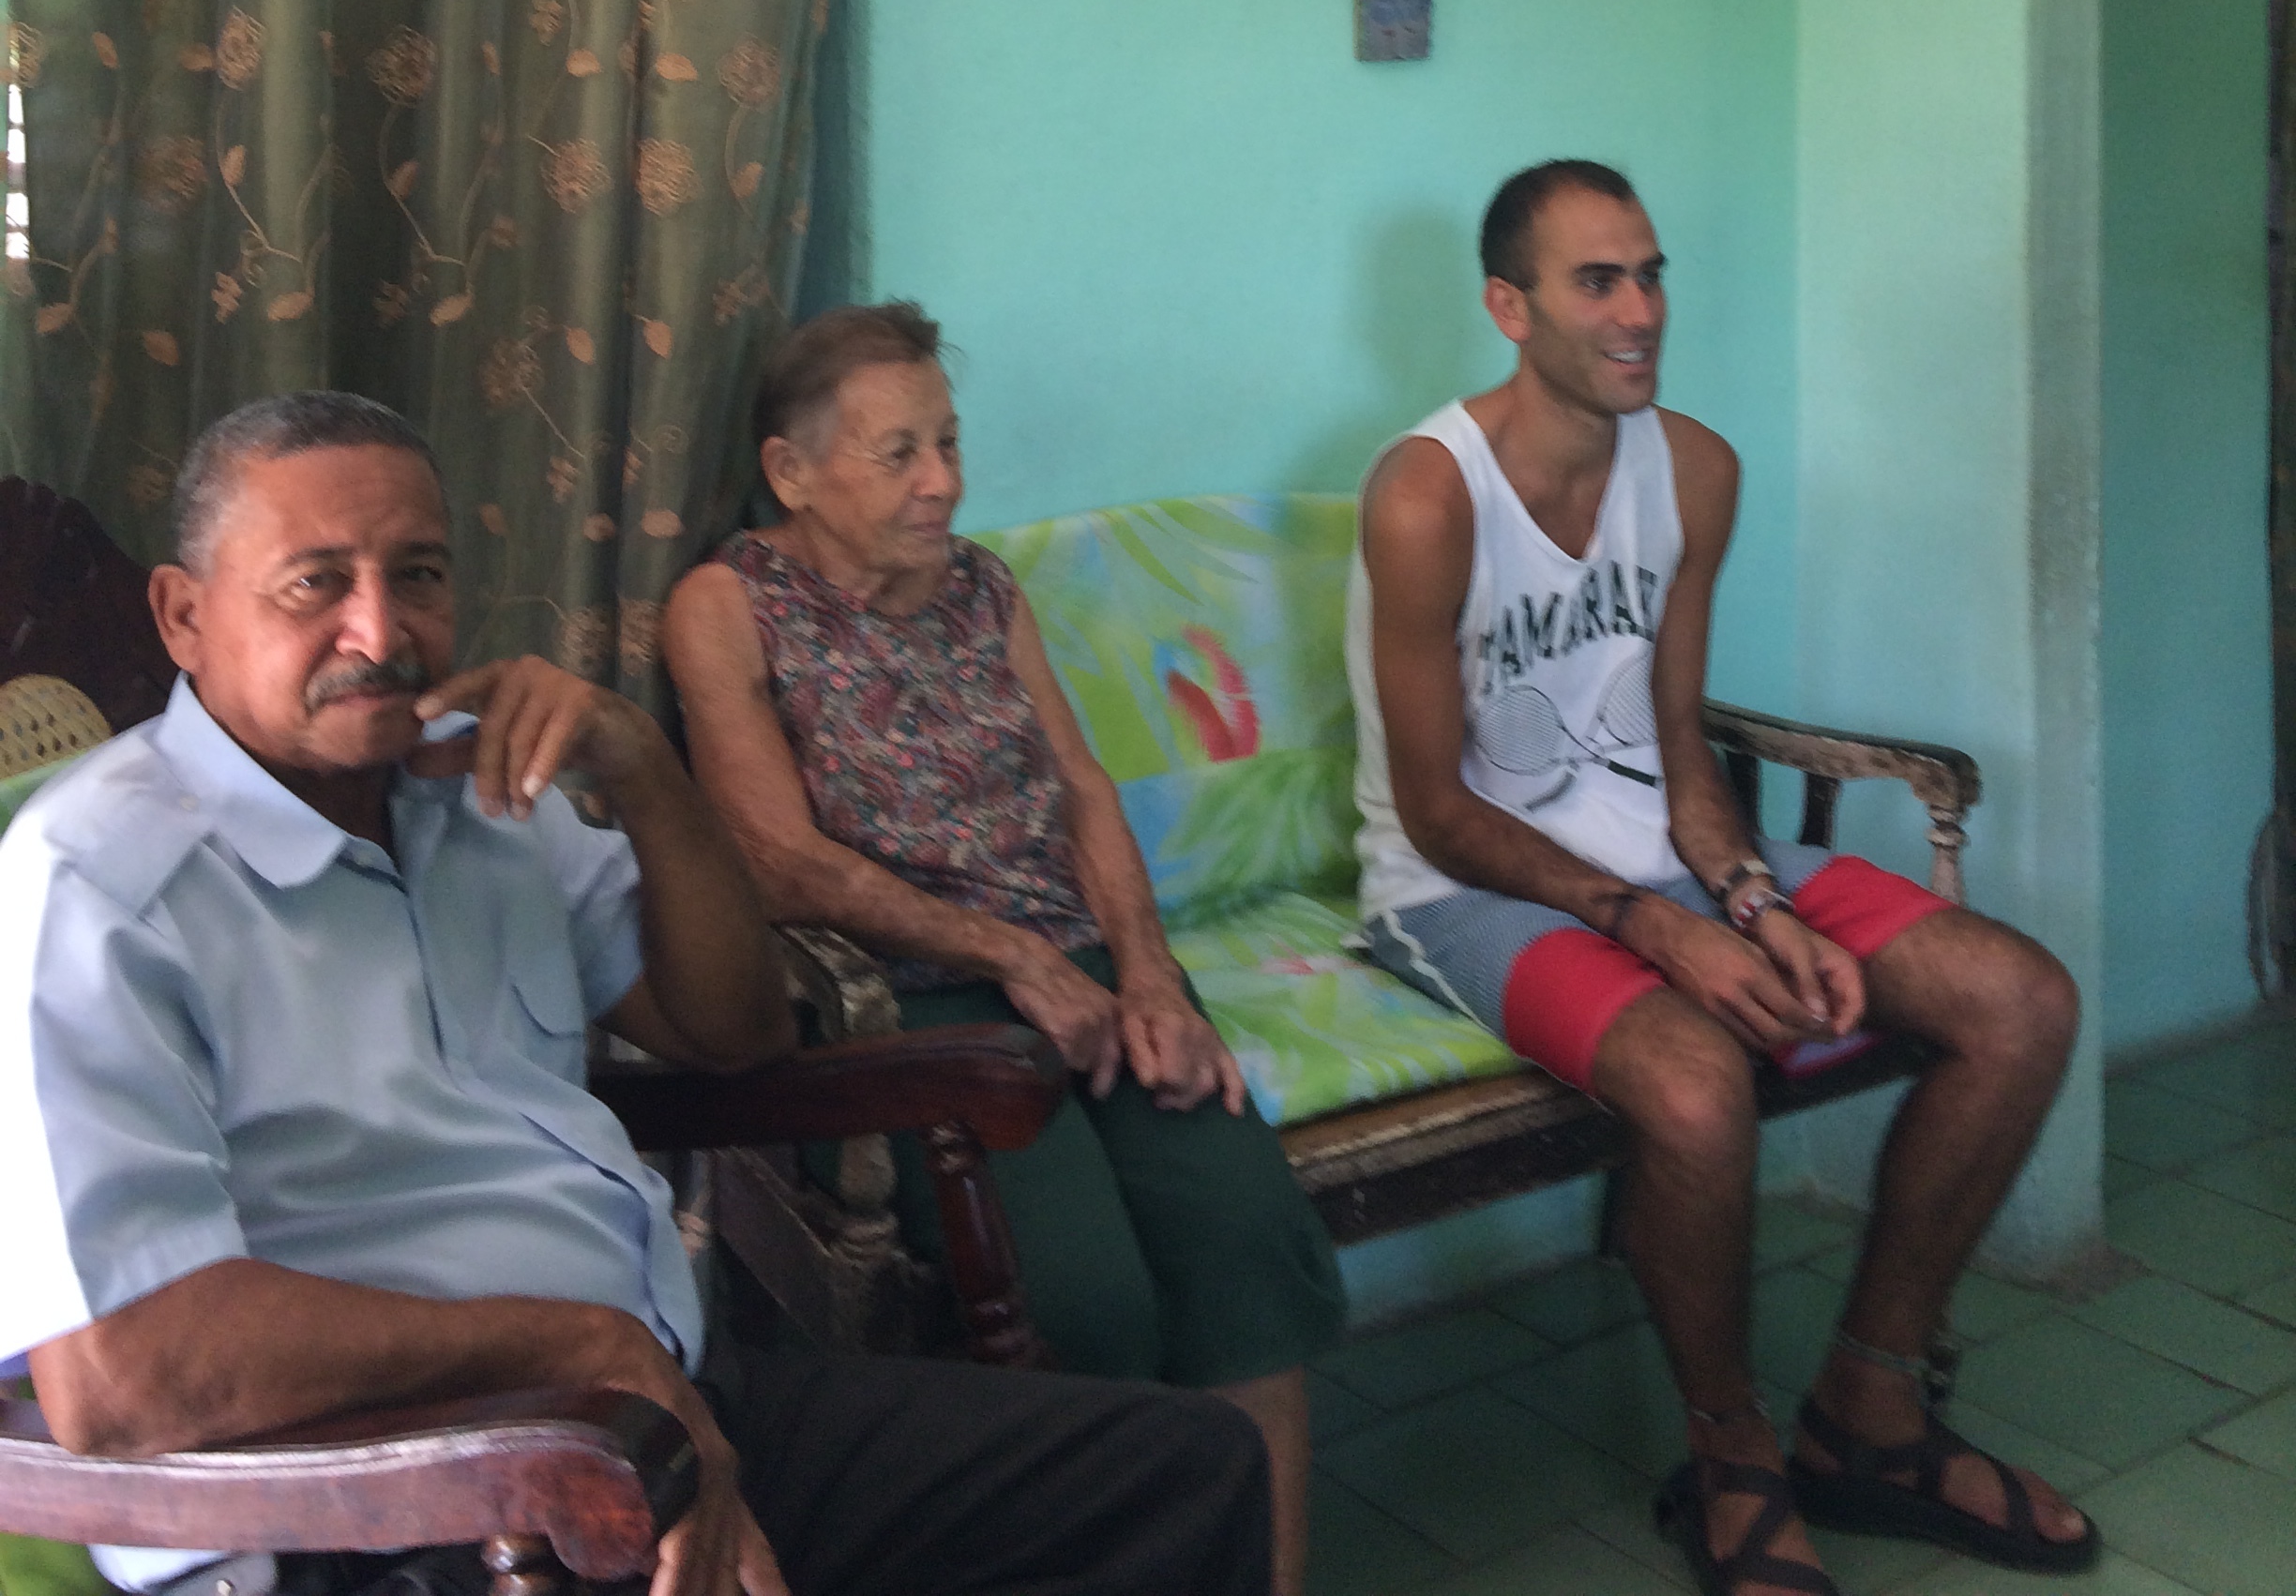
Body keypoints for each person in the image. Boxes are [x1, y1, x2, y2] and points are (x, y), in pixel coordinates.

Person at [0, 393, 1270, 1596]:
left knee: (1178, 1476)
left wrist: (645, 769)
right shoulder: (98, 886)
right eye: (314, 583)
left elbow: (733, 1031)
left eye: (421, 576)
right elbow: (127, 1376)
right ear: (183, 617)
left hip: (645, 1402)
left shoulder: (477, 802)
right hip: (384, 1502)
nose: (380, 634)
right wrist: (571, 1347)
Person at [1351, 164, 2095, 1596]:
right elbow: (1439, 813)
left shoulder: (1693, 467)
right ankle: (1732, 1452)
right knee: (1695, 1086)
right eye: (1598, 282)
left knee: (2022, 1002)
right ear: (1508, 308)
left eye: (1652, 273)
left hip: (1660, 856)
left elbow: (1675, 741)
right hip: (1462, 888)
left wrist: (1748, 899)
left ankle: (1868, 1412)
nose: (1642, 312)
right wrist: (1658, 934)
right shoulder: (1426, 497)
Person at [665, 307, 1343, 1596]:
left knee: (1249, 1242)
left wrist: (1148, 977)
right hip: (910, 1008)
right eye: (900, 453)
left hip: (1086, 967)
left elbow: (1086, 789)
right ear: (792, 472)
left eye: (950, 443)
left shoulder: (984, 589)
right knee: (1084, 1302)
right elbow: (775, 857)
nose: (945, 483)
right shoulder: (728, 605)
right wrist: (1013, 958)